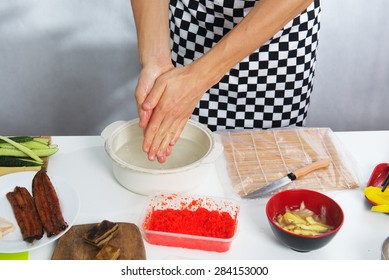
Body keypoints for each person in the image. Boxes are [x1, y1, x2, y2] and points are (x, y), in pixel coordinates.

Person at [130, 0, 321, 163]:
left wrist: (199, 78)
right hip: (192, 23)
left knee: (271, 165)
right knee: (188, 162)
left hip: (277, 36)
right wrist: (155, 60)